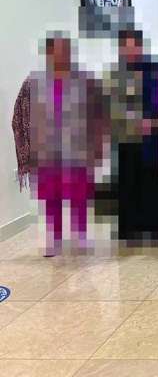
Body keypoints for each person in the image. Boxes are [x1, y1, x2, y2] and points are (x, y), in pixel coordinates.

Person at [29, 34, 106, 255]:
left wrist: (98, 145)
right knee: (51, 196)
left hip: (78, 148)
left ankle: (80, 235)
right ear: (49, 53)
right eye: (58, 50)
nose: (62, 55)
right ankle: (54, 238)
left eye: (66, 50)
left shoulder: (85, 80)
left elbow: (98, 115)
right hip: (48, 150)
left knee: (79, 194)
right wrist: (32, 150)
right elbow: (30, 118)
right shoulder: (36, 82)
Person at [106, 29, 158, 242]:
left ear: (141, 47)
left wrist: (155, 120)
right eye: (126, 47)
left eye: (134, 46)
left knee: (152, 181)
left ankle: (156, 229)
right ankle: (130, 230)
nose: (131, 51)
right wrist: (135, 121)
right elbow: (111, 106)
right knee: (128, 182)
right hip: (126, 138)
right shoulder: (115, 74)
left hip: (153, 136)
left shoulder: (155, 70)